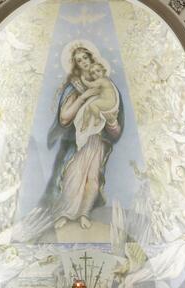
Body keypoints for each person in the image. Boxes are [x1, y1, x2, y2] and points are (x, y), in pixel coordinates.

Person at [44, 43, 124, 232]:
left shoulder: (107, 86)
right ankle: (65, 213)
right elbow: (64, 118)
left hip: (97, 141)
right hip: (77, 142)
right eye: (78, 60)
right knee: (72, 177)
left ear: (91, 59)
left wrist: (112, 122)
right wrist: (83, 96)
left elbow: (116, 127)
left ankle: (84, 213)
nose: (83, 62)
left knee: (93, 179)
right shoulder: (75, 86)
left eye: (85, 58)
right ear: (76, 65)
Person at [77, 62, 119, 137]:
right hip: (104, 101)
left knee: (92, 105)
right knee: (87, 108)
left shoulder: (102, 80)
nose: (96, 74)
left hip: (109, 102)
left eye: (98, 71)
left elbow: (90, 85)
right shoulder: (101, 81)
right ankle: (85, 124)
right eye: (93, 73)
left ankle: (97, 118)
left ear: (103, 71)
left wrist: (83, 80)